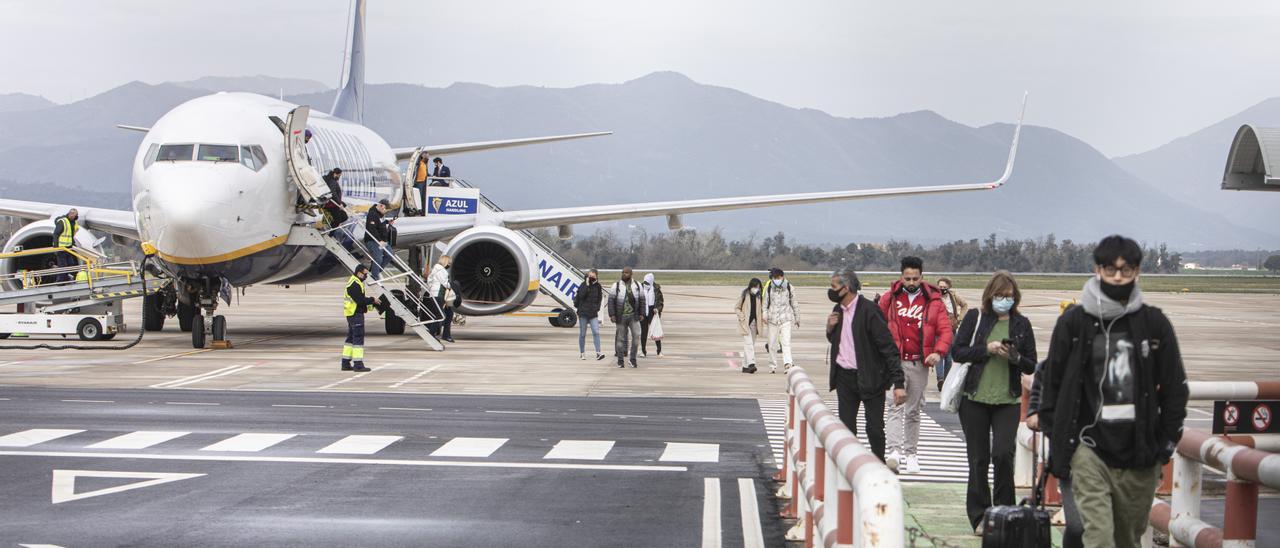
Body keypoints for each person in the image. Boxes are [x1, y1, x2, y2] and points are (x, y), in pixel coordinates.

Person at [1038, 235, 1188, 548]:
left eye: (1126, 270)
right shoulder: (1073, 323)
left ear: (1137, 272)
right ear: (1097, 269)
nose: (1118, 277)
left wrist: (1165, 443)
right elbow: (1051, 382)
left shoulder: (1154, 323)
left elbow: (1175, 388)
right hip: (1088, 448)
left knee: (1127, 540)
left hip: (1140, 452)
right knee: (1099, 538)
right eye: (1110, 269)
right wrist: (1059, 432)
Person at [950, 270, 1038, 533]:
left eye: (1009, 297)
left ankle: (1004, 513)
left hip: (1007, 400)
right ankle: (979, 516)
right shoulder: (976, 318)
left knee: (1002, 455)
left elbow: (1031, 363)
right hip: (974, 398)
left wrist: (1015, 357)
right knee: (978, 459)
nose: (1004, 300)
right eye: (999, 296)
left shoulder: (1021, 324)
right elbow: (957, 351)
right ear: (990, 296)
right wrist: (986, 350)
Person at [879, 256, 953, 474]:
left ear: (922, 277)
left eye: (915, 278)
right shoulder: (889, 299)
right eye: (907, 278)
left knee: (913, 410)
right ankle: (893, 450)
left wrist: (938, 352)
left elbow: (945, 330)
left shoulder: (934, 302)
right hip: (895, 361)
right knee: (894, 406)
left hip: (919, 363)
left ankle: (911, 453)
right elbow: (877, 324)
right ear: (901, 277)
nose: (911, 282)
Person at [826, 268, 907, 461]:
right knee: (846, 427)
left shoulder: (869, 310)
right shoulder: (838, 310)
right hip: (845, 377)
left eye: (834, 287)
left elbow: (888, 347)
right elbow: (837, 340)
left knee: (874, 428)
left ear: (846, 288)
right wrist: (830, 328)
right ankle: (850, 465)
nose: (830, 291)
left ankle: (878, 462)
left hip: (870, 377)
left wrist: (899, 383)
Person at [1026, 361, 1084, 548]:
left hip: (1112, 452)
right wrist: (1035, 409)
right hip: (1070, 451)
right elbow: (1044, 369)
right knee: (1077, 526)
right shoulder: (1068, 341)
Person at [342, 264, 383, 373]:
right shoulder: (354, 284)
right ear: (359, 273)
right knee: (358, 340)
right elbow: (360, 300)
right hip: (355, 314)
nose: (366, 276)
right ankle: (358, 365)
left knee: (350, 339)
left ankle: (345, 363)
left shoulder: (357, 282)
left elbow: (360, 300)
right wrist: (372, 300)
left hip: (352, 313)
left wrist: (372, 303)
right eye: (365, 274)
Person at [607, 266, 646, 368]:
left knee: (636, 336)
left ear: (631, 274)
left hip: (634, 316)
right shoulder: (616, 285)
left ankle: (632, 359)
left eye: (626, 273)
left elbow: (642, 300)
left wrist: (642, 313)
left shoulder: (637, 285)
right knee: (620, 339)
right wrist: (612, 315)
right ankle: (620, 361)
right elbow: (611, 301)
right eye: (623, 272)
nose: (624, 274)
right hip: (621, 316)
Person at [936, 276, 969, 390]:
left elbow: (965, 305)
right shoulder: (934, 297)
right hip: (938, 328)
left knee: (949, 356)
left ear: (949, 287)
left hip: (951, 328)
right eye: (940, 287)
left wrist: (960, 318)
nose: (942, 289)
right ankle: (940, 379)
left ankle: (947, 380)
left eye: (944, 287)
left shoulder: (953, 296)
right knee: (939, 354)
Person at [764, 267, 799, 374]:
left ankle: (788, 364)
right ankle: (772, 365)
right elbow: (765, 303)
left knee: (786, 342)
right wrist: (764, 315)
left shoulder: (789, 287)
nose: (775, 279)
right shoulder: (769, 287)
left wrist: (797, 317)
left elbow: (794, 303)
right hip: (772, 319)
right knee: (772, 343)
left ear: (782, 277)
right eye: (773, 277)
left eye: (777, 277)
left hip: (785, 318)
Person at [573, 269, 606, 361]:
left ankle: (598, 352)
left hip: (593, 313)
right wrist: (587, 285)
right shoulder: (583, 285)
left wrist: (597, 308)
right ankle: (582, 353)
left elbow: (599, 298)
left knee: (596, 332)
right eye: (589, 276)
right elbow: (581, 296)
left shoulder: (598, 286)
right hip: (583, 312)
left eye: (593, 276)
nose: (591, 278)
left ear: (596, 276)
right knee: (583, 334)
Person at [734, 278, 766, 374]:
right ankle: (751, 364)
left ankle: (744, 366)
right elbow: (736, 308)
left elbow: (762, 309)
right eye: (755, 287)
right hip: (745, 324)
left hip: (754, 324)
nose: (757, 289)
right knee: (749, 345)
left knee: (749, 345)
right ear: (750, 286)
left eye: (758, 287)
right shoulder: (744, 295)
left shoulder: (759, 297)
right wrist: (742, 317)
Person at [425, 255, 455, 343]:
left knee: (449, 314)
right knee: (440, 315)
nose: (449, 265)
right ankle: (431, 333)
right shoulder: (441, 270)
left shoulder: (436, 269)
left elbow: (430, 281)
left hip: (440, 295)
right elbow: (445, 284)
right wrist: (454, 286)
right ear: (445, 262)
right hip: (438, 295)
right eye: (449, 263)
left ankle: (446, 335)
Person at [364, 199, 394, 279]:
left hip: (382, 241)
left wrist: (387, 222)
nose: (386, 212)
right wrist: (379, 240)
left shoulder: (380, 214)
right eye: (386, 210)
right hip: (373, 240)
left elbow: (380, 222)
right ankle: (374, 276)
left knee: (390, 254)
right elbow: (372, 229)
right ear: (381, 206)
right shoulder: (372, 214)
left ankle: (376, 271)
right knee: (378, 257)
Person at [639, 273, 664, 357]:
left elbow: (660, 301)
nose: (646, 284)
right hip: (643, 312)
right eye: (645, 282)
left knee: (655, 331)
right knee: (644, 332)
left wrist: (657, 309)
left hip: (652, 312)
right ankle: (643, 351)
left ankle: (659, 351)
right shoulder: (640, 288)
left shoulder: (656, 289)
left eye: (647, 282)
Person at [51, 208, 79, 282]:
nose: (72, 215)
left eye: (74, 214)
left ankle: (66, 278)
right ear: (69, 213)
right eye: (71, 213)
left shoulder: (74, 222)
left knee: (71, 264)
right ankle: (60, 281)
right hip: (61, 248)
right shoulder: (63, 221)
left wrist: (73, 244)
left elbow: (71, 235)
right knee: (63, 266)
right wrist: (56, 248)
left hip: (68, 248)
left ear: (76, 215)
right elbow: (56, 234)